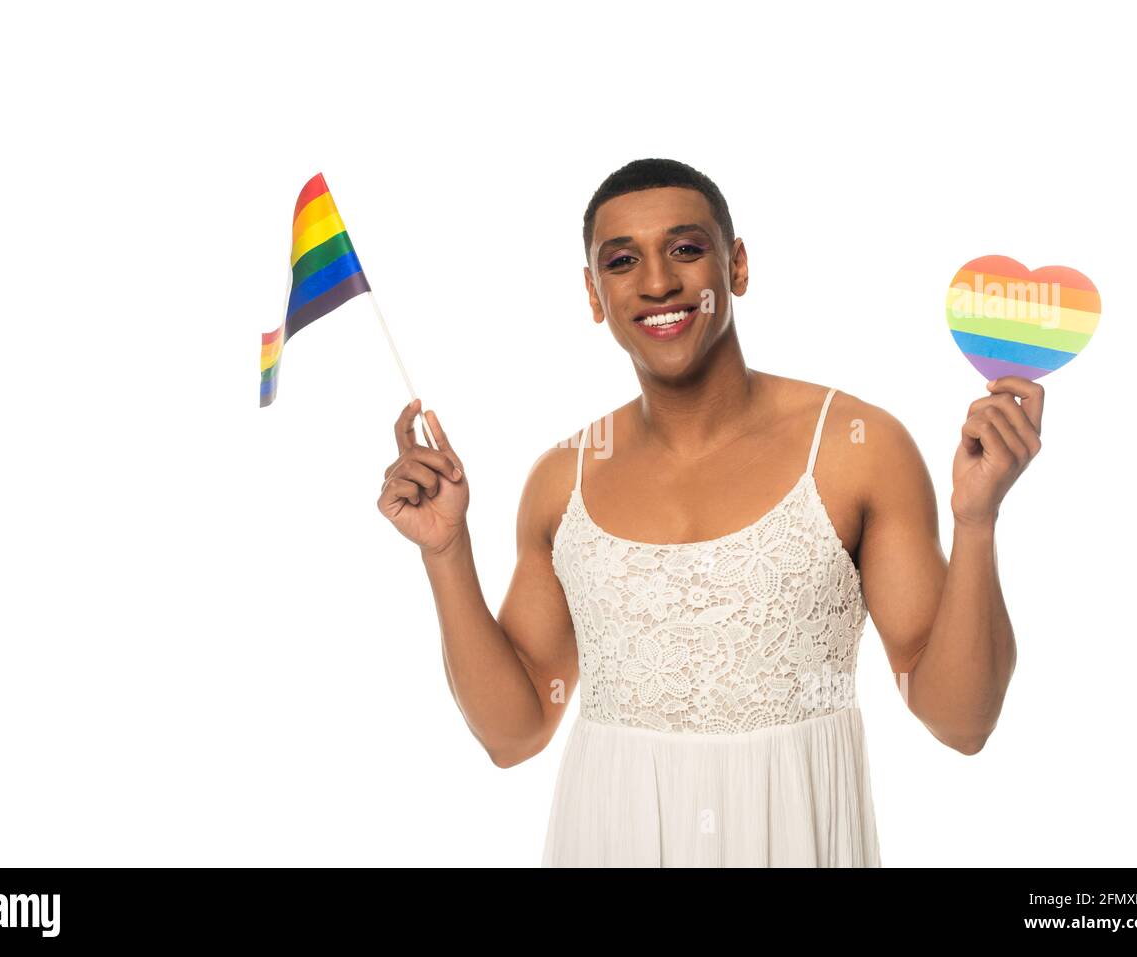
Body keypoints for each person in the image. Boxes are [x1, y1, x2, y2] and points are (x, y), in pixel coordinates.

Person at [376, 158, 1039, 867]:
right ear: (594, 295)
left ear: (738, 266)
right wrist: (445, 553)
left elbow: (963, 722)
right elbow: (512, 734)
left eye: (686, 249)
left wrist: (977, 521)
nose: (657, 281)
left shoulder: (857, 448)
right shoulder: (559, 481)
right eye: (622, 261)